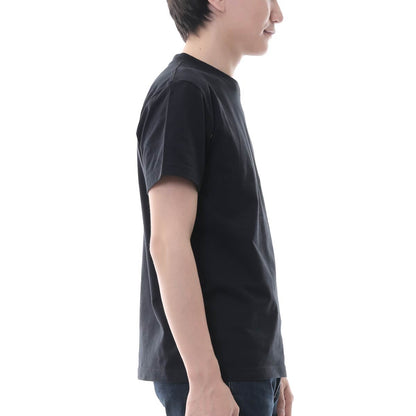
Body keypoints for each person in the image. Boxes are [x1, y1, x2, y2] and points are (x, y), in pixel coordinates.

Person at [135, 0, 294, 415]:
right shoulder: (183, 91)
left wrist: (271, 366)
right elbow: (168, 242)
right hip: (217, 377)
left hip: (243, 371)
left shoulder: (213, 90)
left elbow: (235, 249)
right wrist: (204, 379)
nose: (278, 14)